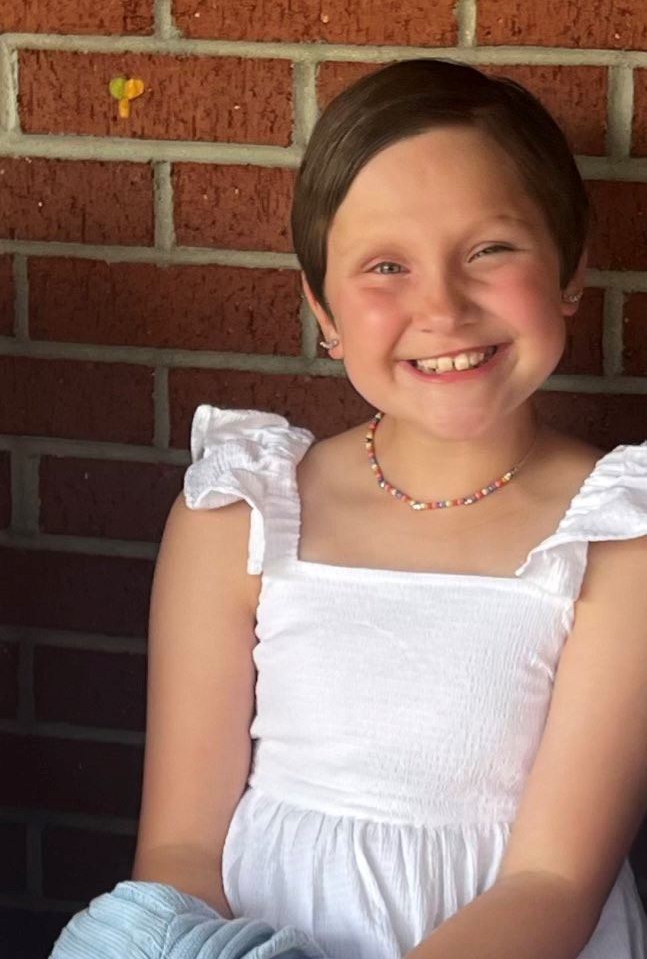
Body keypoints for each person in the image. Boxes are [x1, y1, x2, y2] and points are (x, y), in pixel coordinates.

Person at [131, 60, 647, 959]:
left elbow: (553, 882)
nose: (441, 306)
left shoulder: (619, 535)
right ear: (322, 308)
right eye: (385, 266)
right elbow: (180, 850)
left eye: (489, 249)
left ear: (570, 270)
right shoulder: (237, 514)